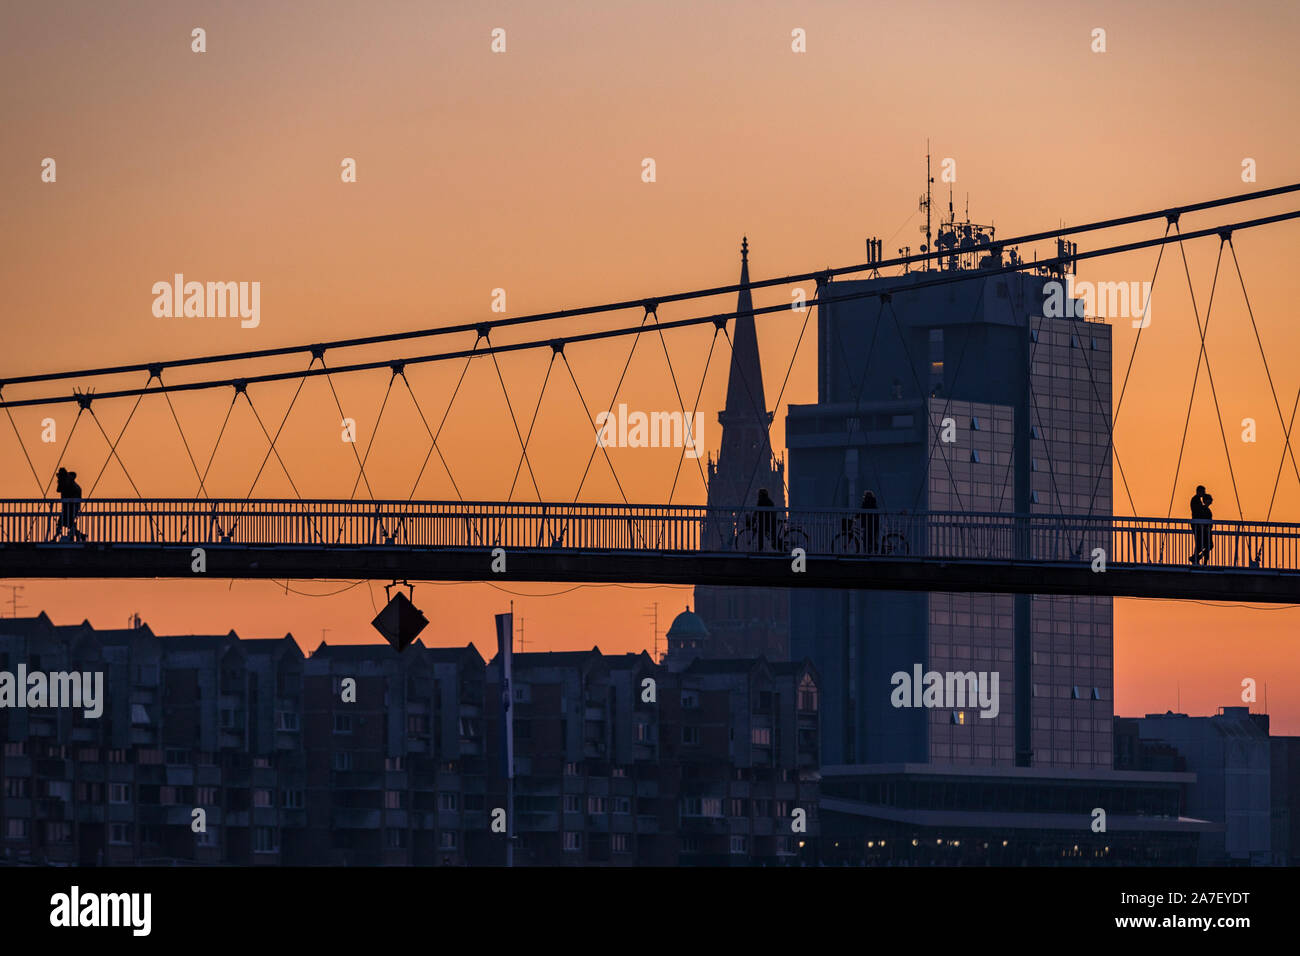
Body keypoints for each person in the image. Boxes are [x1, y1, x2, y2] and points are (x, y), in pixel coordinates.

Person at [55, 467, 86, 542]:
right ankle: (80, 535)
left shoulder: (71, 484)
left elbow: (61, 489)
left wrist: (61, 481)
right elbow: (59, 489)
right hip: (68, 508)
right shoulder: (68, 483)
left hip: (71, 508)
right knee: (68, 524)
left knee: (62, 523)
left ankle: (78, 535)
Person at [1189, 485, 1213, 565]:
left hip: (1201, 526)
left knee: (1202, 543)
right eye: (1203, 491)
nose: (1204, 493)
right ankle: (1196, 558)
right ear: (1199, 491)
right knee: (1201, 543)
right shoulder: (1195, 500)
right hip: (1198, 526)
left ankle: (1196, 558)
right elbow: (1198, 512)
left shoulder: (1197, 500)